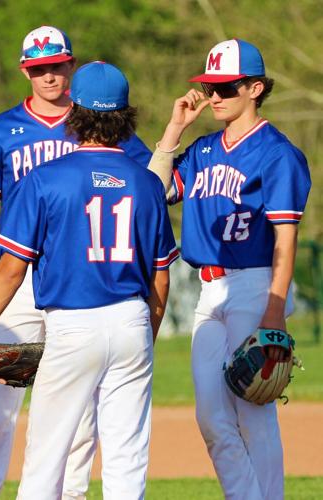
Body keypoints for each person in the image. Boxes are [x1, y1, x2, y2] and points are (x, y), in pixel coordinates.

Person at [0, 26, 153, 500]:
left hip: (79, 275)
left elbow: (151, 179)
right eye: (38, 67)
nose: (49, 74)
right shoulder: (2, 130)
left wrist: (169, 139)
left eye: (57, 65)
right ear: (26, 71)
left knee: (80, 407)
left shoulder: (102, 123)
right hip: (21, 277)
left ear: (71, 66)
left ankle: (72, 494)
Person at [147, 39, 311, 499]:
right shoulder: (200, 152)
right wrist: (174, 129)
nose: (215, 96)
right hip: (208, 290)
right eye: (210, 87)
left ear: (255, 88)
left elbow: (286, 238)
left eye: (227, 87)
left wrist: (275, 308)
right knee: (212, 419)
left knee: (253, 412)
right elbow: (151, 194)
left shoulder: (278, 154)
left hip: (255, 284)